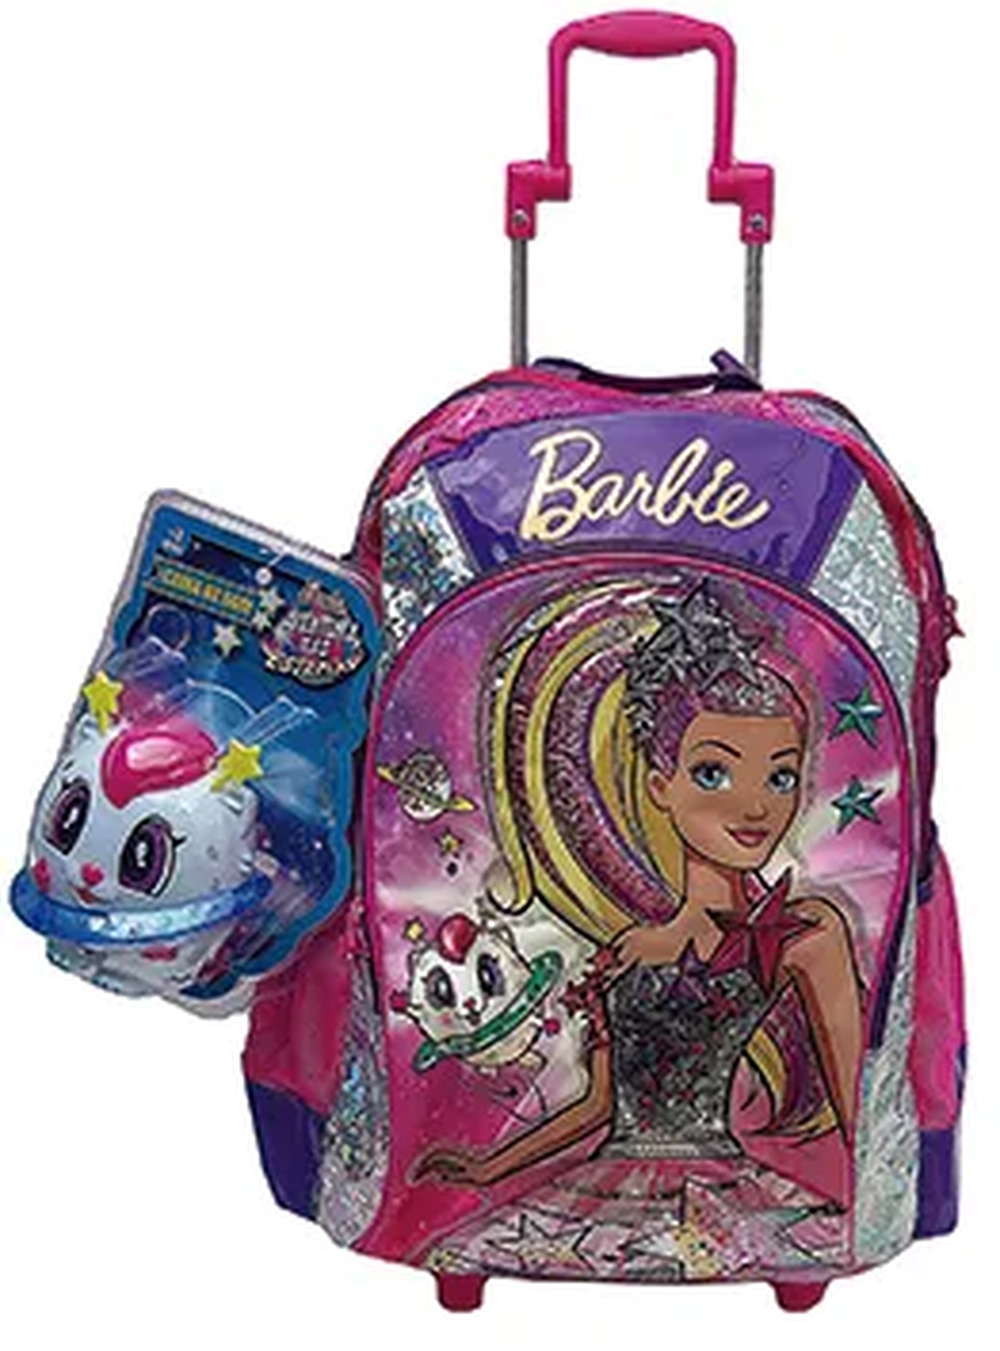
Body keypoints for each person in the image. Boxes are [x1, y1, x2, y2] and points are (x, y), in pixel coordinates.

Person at [414, 577, 865, 1281]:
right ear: (661, 785)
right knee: (476, 1247)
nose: (755, 807)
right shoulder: (627, 947)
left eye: (780, 778)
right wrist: (490, 1167)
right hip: (609, 1182)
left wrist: (869, 1185)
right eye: (713, 773)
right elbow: (598, 1104)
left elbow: (858, 1095)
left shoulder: (804, 933)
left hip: (723, 1187)